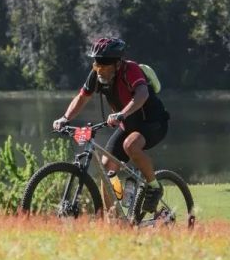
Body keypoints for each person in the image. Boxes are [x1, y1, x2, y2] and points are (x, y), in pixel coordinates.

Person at [53, 37, 170, 213]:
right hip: (128, 125)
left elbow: (142, 94)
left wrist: (122, 113)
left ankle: (154, 186)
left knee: (130, 145)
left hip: (153, 122)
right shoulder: (97, 74)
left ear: (117, 63)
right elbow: (82, 97)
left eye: (105, 64)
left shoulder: (130, 70)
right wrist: (65, 118)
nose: (100, 68)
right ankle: (115, 216)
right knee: (107, 166)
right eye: (97, 63)